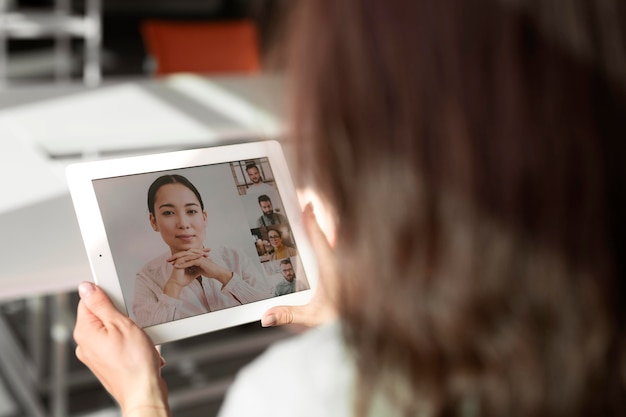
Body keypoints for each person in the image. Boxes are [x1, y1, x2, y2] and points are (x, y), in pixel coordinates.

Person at [73, 1, 625, 417]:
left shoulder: (297, 394)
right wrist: (350, 321)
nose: (184, 221)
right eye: (169, 213)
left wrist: (141, 396)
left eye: (191, 209)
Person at [132, 174, 271, 328]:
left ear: (204, 217)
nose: (183, 224)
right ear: (154, 221)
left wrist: (223, 275)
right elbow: (151, 337)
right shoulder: (147, 277)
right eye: (168, 213)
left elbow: (272, 310)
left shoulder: (234, 256)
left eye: (191, 211)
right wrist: (173, 287)